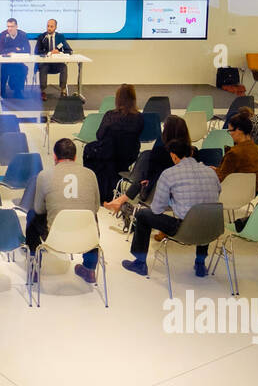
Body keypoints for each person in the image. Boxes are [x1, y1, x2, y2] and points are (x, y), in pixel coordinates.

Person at [119, 139, 222, 278]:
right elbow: (217, 193)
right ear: (191, 153)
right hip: (213, 228)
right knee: (204, 213)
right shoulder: (210, 172)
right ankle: (200, 263)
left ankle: (140, 263)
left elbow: (156, 209)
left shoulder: (169, 174)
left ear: (173, 156)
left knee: (143, 215)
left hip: (187, 230)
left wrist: (173, 202)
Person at [28, 138, 103, 284]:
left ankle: (34, 266)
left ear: (55, 157)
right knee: (92, 218)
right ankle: (89, 269)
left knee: (32, 216)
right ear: (75, 157)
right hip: (87, 237)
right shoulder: (90, 174)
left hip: (56, 238)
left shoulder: (44, 175)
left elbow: (38, 209)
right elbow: (96, 207)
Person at [105, 114, 191, 211]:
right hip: (184, 192)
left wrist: (147, 179)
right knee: (146, 177)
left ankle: (120, 201)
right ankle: (120, 201)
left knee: (144, 179)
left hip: (161, 191)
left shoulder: (161, 150)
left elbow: (153, 170)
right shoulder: (192, 152)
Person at [83, 84, 143, 199]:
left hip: (110, 156)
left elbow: (99, 135)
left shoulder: (110, 115)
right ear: (133, 99)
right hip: (129, 156)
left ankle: (94, 186)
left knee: (89, 149)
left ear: (118, 99)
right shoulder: (139, 117)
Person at [219, 110, 258, 187]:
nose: (230, 134)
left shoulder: (234, 153)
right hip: (252, 191)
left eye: (230, 130)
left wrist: (212, 171)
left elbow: (222, 178)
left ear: (239, 130)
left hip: (232, 191)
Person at [34, 19, 73, 98]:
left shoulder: (60, 37)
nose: (49, 28)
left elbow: (69, 50)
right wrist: (49, 53)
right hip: (46, 63)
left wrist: (59, 53)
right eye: (48, 26)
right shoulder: (42, 37)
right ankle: (43, 91)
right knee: (43, 67)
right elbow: (37, 51)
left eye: (51, 26)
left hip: (57, 64)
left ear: (55, 27)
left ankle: (63, 90)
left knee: (64, 67)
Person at [0, 17, 32, 98]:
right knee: (2, 70)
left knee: (24, 69)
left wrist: (12, 52)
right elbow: (0, 50)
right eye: (8, 26)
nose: (9, 29)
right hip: (5, 63)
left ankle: (18, 91)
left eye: (11, 26)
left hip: (17, 62)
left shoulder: (22, 35)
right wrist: (15, 49)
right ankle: (2, 92)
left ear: (16, 27)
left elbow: (27, 50)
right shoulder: (3, 35)